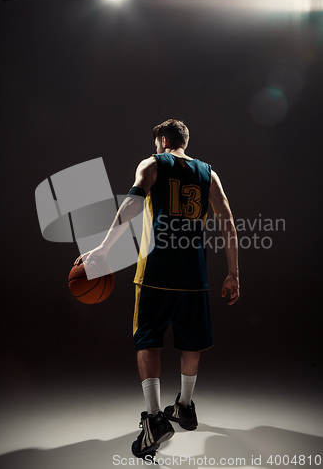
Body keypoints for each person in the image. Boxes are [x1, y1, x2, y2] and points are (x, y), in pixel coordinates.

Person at [75, 119, 239, 460]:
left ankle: (153, 419)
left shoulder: (152, 164)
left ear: (163, 140)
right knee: (190, 341)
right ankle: (185, 405)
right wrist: (233, 273)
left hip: (156, 272)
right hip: (195, 275)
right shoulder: (209, 173)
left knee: (148, 339)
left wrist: (104, 249)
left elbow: (132, 206)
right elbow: (228, 221)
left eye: (156, 143)